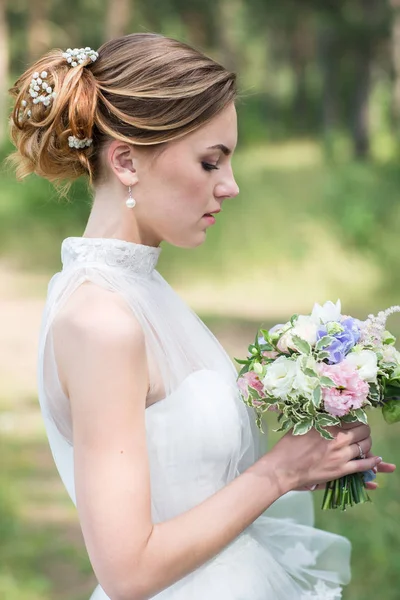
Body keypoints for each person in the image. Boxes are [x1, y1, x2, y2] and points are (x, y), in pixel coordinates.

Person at [7, 33, 395, 600]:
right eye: (210, 161)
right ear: (125, 161)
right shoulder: (101, 320)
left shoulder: (142, 289)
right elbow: (127, 571)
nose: (230, 186)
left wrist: (317, 449)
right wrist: (279, 473)